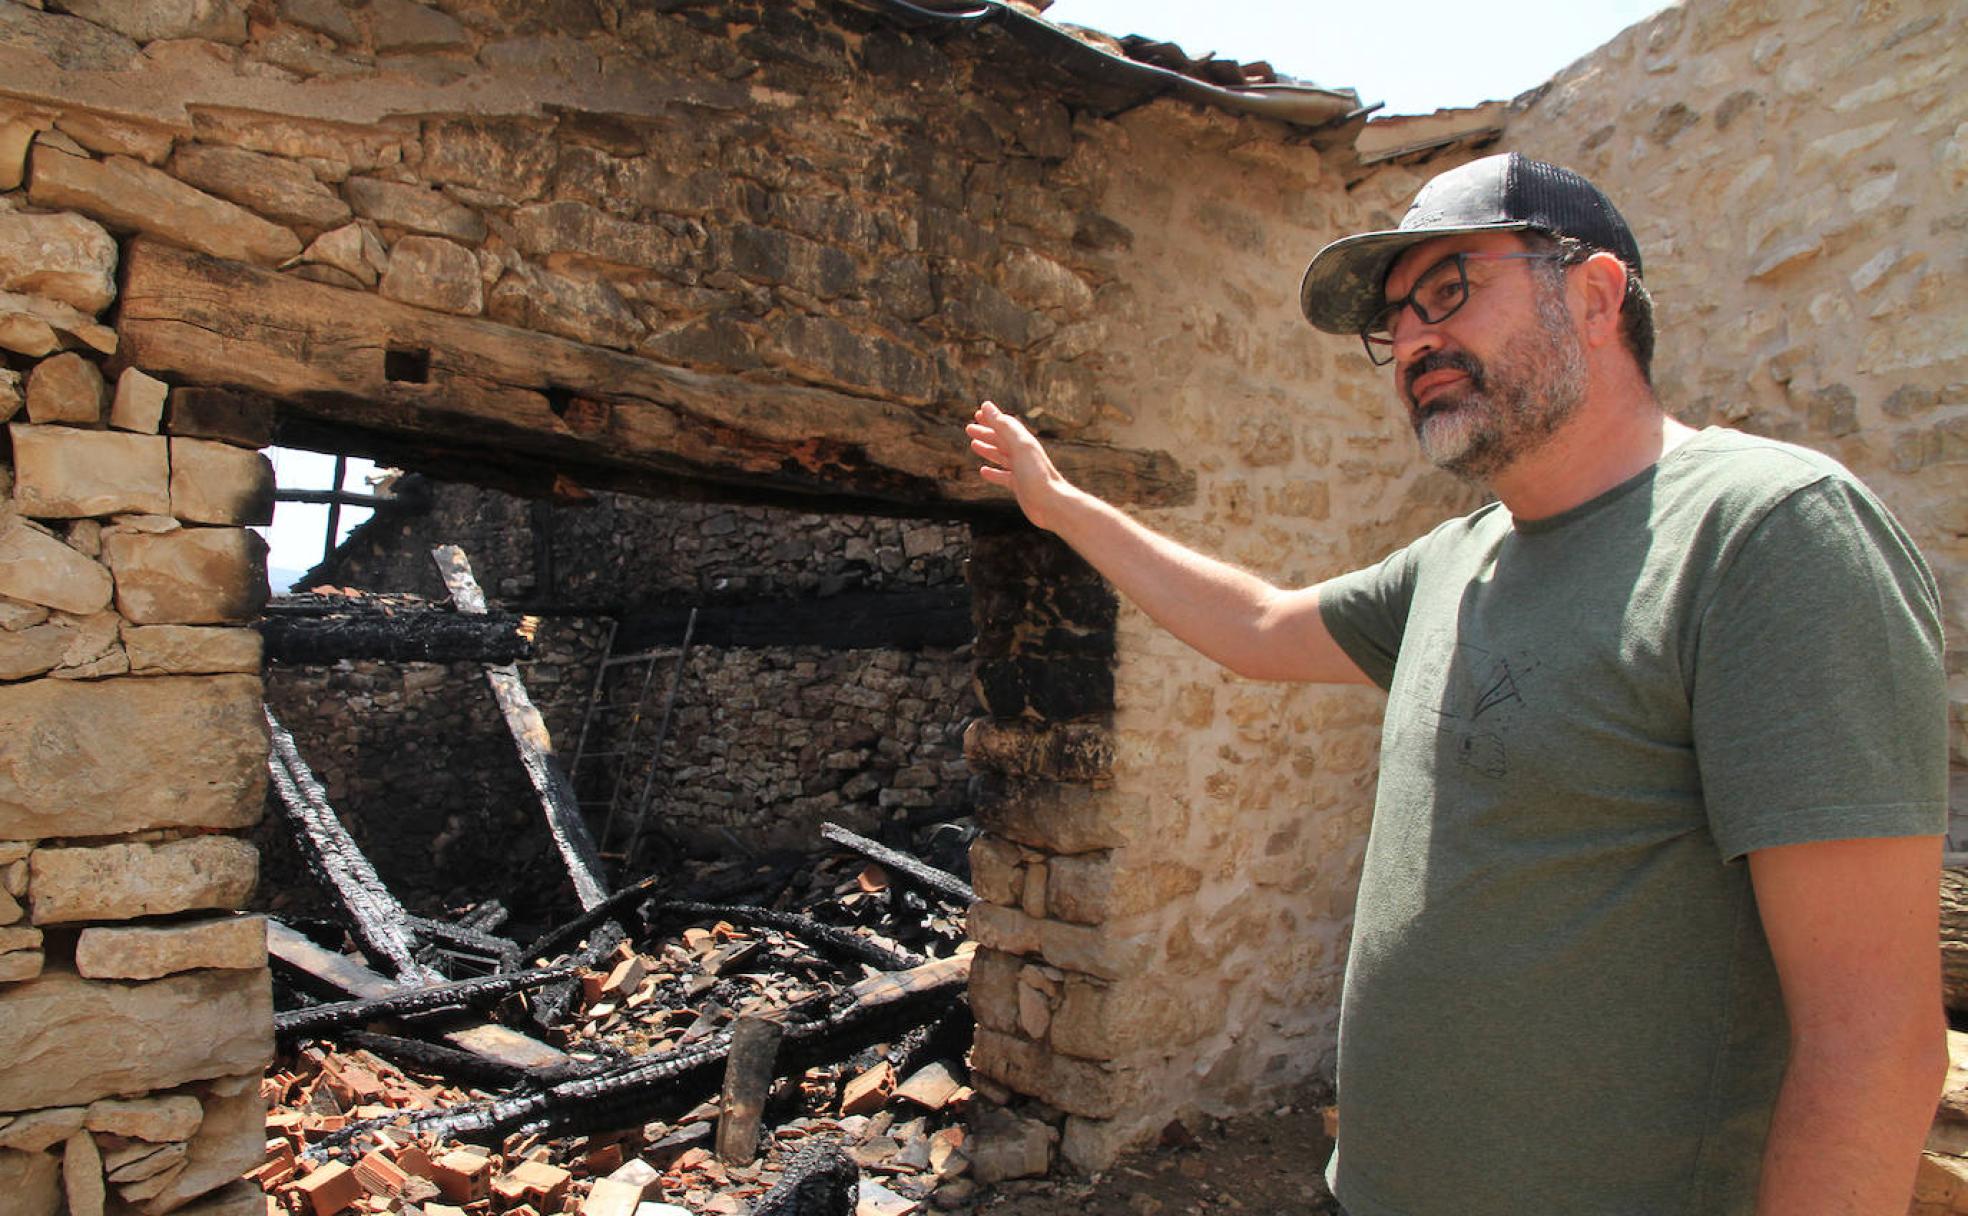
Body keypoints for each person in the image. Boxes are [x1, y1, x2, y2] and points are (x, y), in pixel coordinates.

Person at [967, 153, 1948, 1216]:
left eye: (1451, 290)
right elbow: (1253, 624)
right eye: (1396, 321)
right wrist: (1058, 503)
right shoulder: (1458, 558)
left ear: (1595, 295)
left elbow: (1874, 1043)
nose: (1415, 341)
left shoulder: (1763, 535)